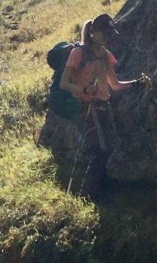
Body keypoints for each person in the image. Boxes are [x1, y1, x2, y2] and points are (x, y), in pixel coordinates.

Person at [43, 13, 148, 196]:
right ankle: (88, 194)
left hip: (102, 106)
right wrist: (85, 90)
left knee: (108, 146)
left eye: (110, 33)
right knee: (98, 150)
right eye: (105, 33)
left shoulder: (106, 56)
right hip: (84, 107)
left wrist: (138, 83)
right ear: (94, 33)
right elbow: (64, 83)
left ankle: (100, 191)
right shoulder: (78, 53)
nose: (109, 37)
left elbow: (115, 85)